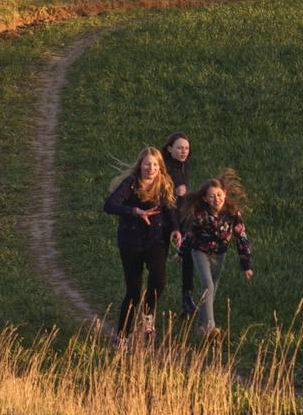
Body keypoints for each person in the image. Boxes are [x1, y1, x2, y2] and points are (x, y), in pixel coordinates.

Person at [103, 146, 179, 345]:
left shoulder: (163, 184)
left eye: (154, 165)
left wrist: (175, 230)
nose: (150, 168)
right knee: (134, 291)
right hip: (131, 242)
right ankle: (122, 336)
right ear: (140, 165)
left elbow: (170, 210)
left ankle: (148, 319)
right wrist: (135, 211)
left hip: (156, 240)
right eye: (147, 164)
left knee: (158, 282)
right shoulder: (130, 183)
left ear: (160, 167)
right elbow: (109, 205)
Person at [179, 170, 254, 335]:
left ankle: (200, 327)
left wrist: (246, 265)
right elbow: (189, 234)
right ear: (205, 198)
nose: (216, 199)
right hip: (200, 252)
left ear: (225, 194)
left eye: (219, 195)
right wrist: (181, 252)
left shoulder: (232, 214)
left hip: (219, 254)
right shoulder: (201, 215)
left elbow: (241, 238)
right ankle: (211, 328)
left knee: (212, 290)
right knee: (208, 285)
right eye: (212, 196)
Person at [161, 133, 200, 313]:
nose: (183, 151)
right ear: (170, 149)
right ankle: (153, 295)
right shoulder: (164, 168)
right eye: (179, 148)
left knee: (188, 254)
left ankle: (187, 297)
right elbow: (162, 196)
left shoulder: (186, 165)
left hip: (183, 216)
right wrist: (175, 193)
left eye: (186, 148)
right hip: (164, 218)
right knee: (159, 259)